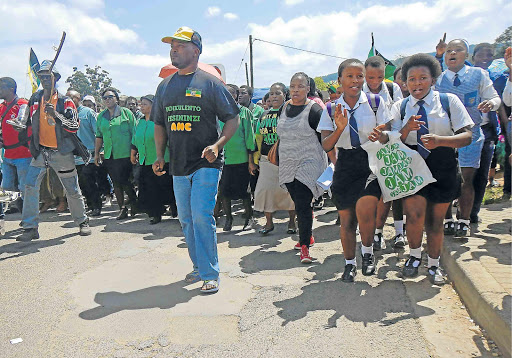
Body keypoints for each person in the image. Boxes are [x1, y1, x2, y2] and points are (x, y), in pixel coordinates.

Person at [152, 26, 240, 294]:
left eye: (179, 45)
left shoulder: (211, 83)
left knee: (202, 216)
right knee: (187, 219)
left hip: (206, 162)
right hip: (178, 165)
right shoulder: (165, 86)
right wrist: (159, 156)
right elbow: (159, 124)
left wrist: (217, 144)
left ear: (196, 50)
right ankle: (198, 267)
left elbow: (232, 119)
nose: (173, 50)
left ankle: (210, 273)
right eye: (171, 46)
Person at [391, 53, 473, 284]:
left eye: (423, 78)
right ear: (405, 83)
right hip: (412, 163)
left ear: (433, 79)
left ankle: (434, 264)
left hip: (442, 164)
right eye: (412, 79)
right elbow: (391, 139)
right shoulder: (401, 106)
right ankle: (414, 257)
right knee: (414, 216)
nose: (417, 83)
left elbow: (467, 135)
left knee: (436, 221)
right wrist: (406, 129)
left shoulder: (448, 101)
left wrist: (440, 141)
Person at [319, 58, 391, 282]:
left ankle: (367, 253)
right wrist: (339, 128)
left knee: (367, 211)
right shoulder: (331, 108)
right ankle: (349, 263)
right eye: (349, 76)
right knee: (347, 220)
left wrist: (382, 136)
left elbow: (388, 135)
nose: (355, 80)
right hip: (345, 164)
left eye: (359, 76)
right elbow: (326, 145)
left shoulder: (376, 102)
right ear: (339, 79)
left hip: (370, 161)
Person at [17, 60, 91, 241]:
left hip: (61, 152)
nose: (44, 79)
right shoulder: (35, 98)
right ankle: (30, 228)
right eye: (41, 76)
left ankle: (82, 222)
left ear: (56, 78)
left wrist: (56, 115)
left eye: (47, 76)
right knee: (30, 186)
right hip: (41, 152)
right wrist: (21, 126)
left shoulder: (65, 101)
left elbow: (73, 126)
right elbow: (28, 121)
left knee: (72, 189)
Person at [436, 39, 501, 237]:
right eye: (449, 51)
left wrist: (490, 103)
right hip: (445, 136)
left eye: (458, 50)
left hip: (471, 135)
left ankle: (464, 220)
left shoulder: (478, 74)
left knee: (467, 179)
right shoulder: (438, 79)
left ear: (466, 55)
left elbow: (496, 98)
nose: (452, 53)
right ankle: (447, 219)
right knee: (444, 179)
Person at [277, 72, 328, 263]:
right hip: (288, 162)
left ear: (308, 89)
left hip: (309, 162)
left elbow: (326, 136)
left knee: (302, 203)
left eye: (300, 86)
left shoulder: (315, 110)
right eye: (292, 86)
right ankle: (308, 235)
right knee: (300, 202)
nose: (296, 90)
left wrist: (334, 162)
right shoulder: (285, 107)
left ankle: (305, 246)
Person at [253, 82, 296, 236]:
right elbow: (259, 137)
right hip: (266, 160)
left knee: (290, 192)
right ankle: (269, 223)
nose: (274, 96)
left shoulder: (289, 112)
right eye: (271, 93)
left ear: (285, 95)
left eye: (277, 93)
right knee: (265, 191)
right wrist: (255, 158)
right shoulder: (264, 115)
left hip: (287, 159)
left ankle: (292, 222)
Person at [131, 94, 176, 224]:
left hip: (162, 160)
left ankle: (174, 207)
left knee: (166, 187)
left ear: (153, 106)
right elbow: (135, 139)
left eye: (144, 104)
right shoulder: (139, 122)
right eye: (141, 104)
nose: (141, 106)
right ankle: (155, 213)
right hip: (145, 160)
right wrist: (133, 152)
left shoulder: (161, 121)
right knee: (150, 189)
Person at [95, 87, 138, 220]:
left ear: (117, 99)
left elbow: (134, 133)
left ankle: (134, 201)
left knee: (125, 181)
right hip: (109, 155)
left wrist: (134, 151)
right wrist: (96, 153)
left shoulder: (126, 114)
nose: (108, 100)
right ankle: (122, 209)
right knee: (116, 182)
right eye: (105, 98)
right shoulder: (102, 116)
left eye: (110, 97)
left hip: (125, 154)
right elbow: (99, 136)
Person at [219, 84, 256, 231]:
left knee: (245, 192)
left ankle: (249, 217)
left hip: (241, 159)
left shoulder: (244, 112)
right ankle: (229, 219)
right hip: (223, 159)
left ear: (235, 95)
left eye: (229, 94)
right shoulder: (218, 113)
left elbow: (249, 137)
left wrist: (251, 160)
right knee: (224, 191)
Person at [0, 78, 32, 221]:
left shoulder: (22, 104)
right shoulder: (1, 107)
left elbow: (22, 123)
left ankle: (29, 222)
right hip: (7, 155)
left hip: (23, 154)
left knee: (25, 189)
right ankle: (23, 214)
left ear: (11, 89)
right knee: (7, 189)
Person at [66, 90, 101, 216]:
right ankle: (90, 206)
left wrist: (98, 152)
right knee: (81, 184)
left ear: (78, 98)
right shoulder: (66, 115)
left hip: (89, 156)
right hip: (73, 157)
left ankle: (96, 206)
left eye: (71, 97)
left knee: (89, 181)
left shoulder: (88, 113)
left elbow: (99, 133)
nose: (68, 100)